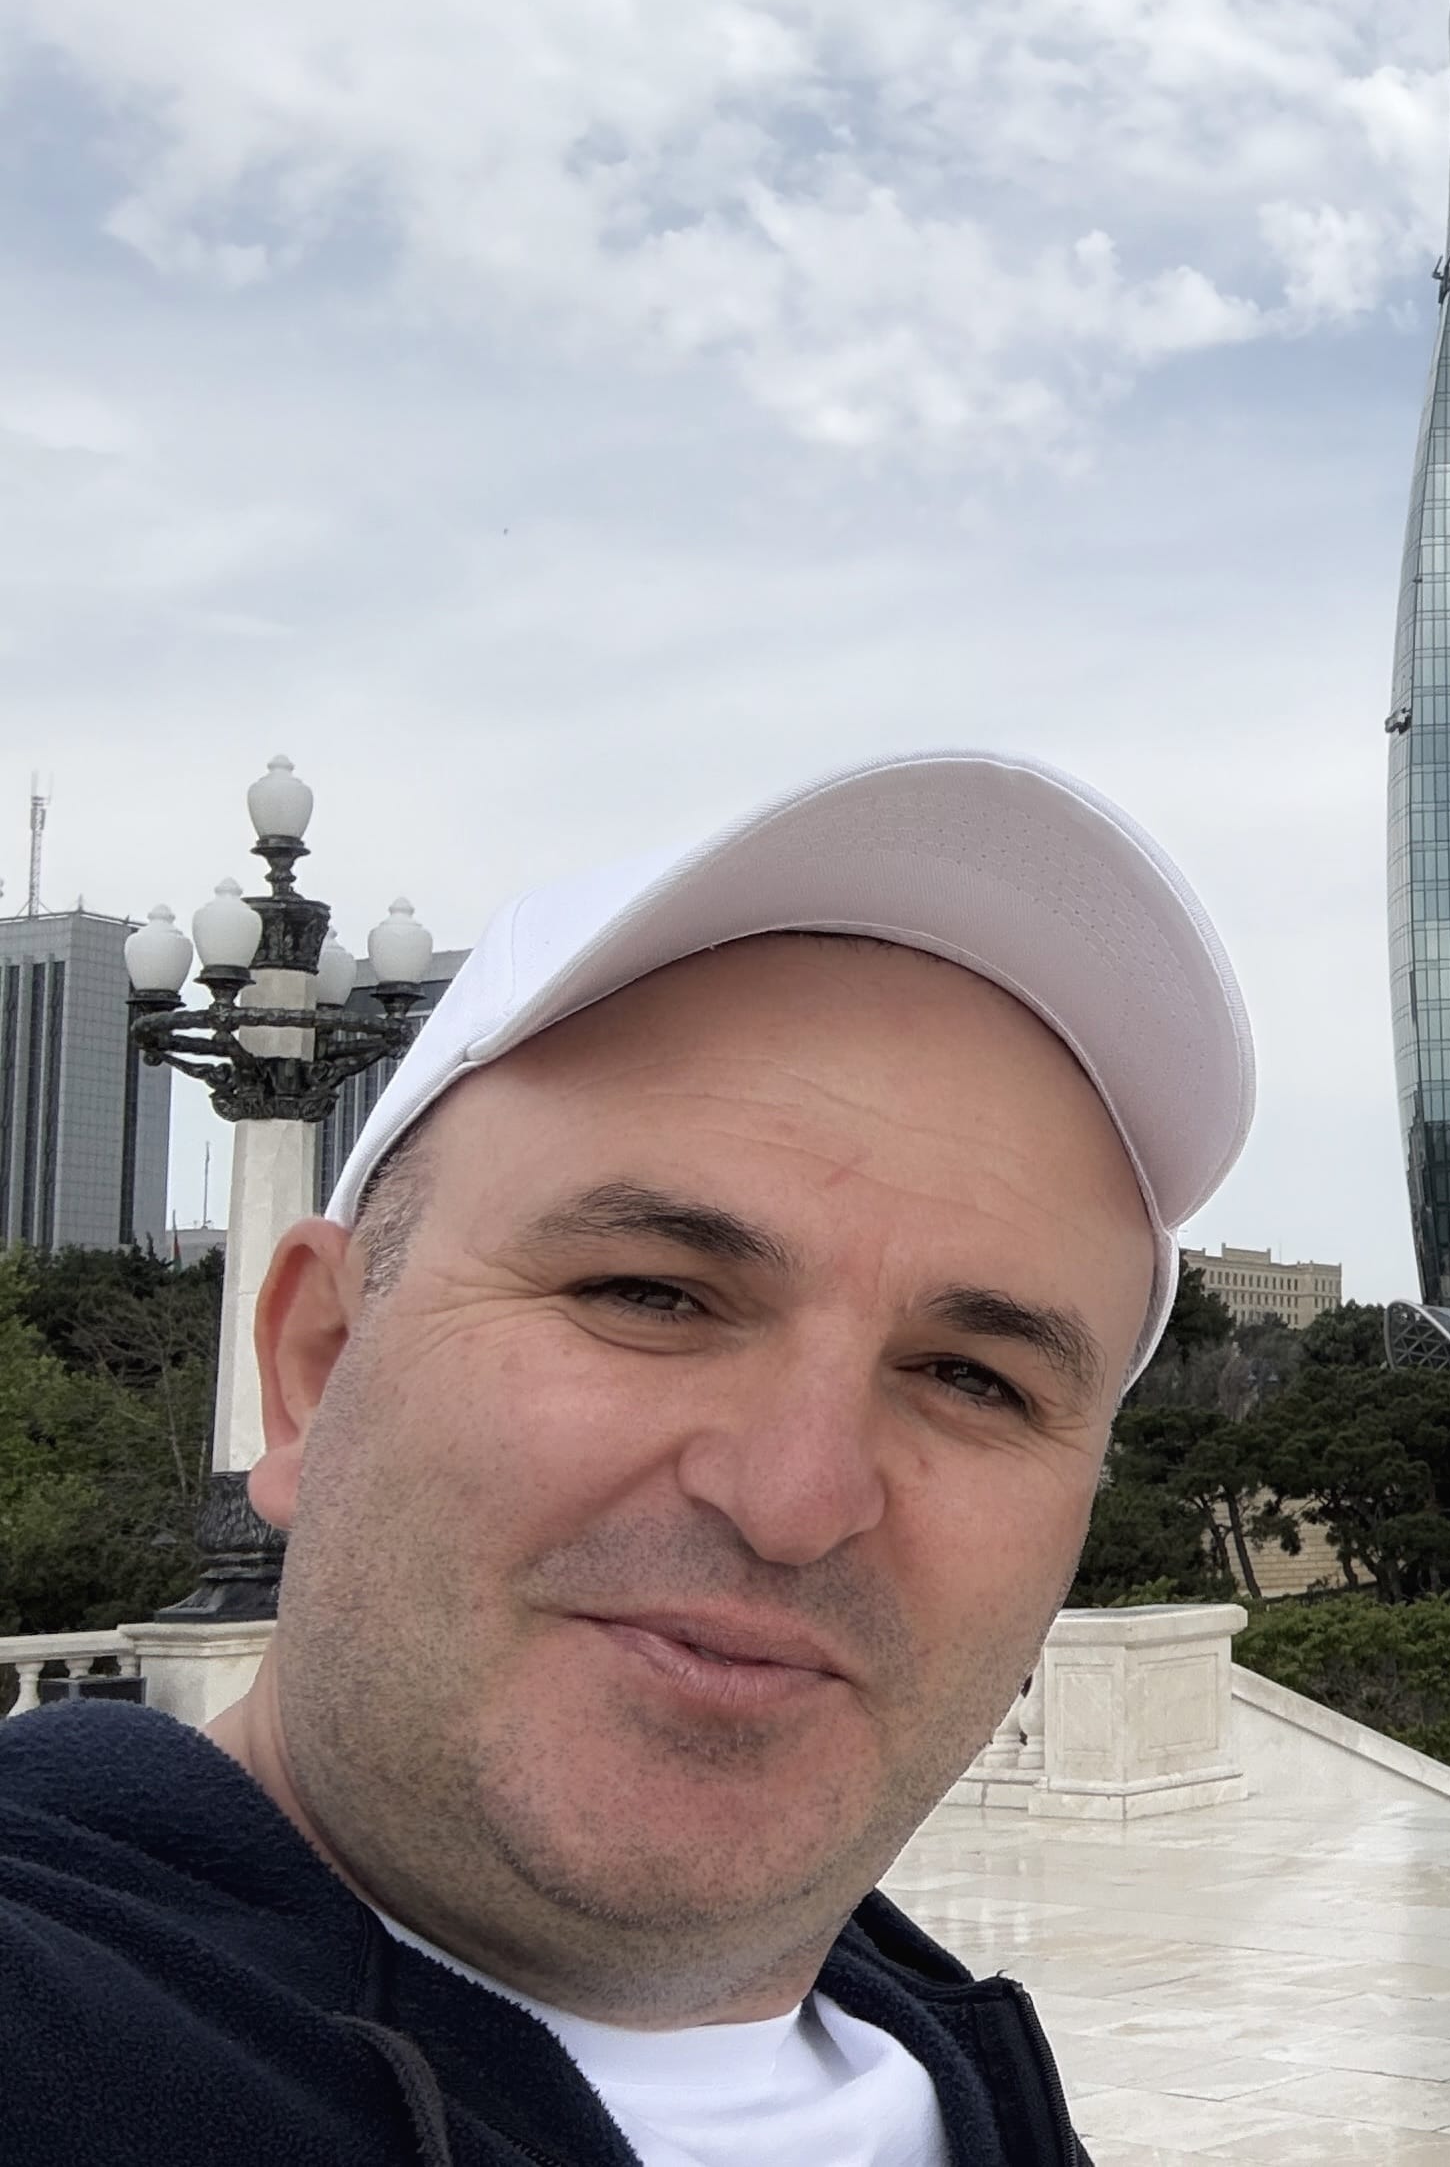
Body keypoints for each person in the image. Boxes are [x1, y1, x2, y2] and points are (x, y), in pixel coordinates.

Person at [0, 750, 1252, 2165]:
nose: (794, 1500)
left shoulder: (966, 2079)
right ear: (317, 1367)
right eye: (648, 1294)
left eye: (973, 1378)